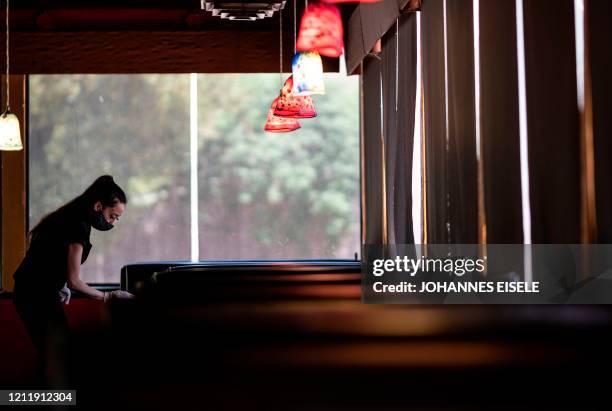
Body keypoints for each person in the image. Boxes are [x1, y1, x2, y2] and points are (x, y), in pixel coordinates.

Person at [12, 175, 134, 387]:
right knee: (58, 354)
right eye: (113, 216)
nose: (113, 222)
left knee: (54, 353)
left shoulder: (69, 215)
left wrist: (59, 285)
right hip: (35, 296)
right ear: (98, 206)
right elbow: (75, 281)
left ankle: (51, 401)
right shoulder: (78, 225)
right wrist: (109, 295)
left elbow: (50, 259)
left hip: (33, 292)